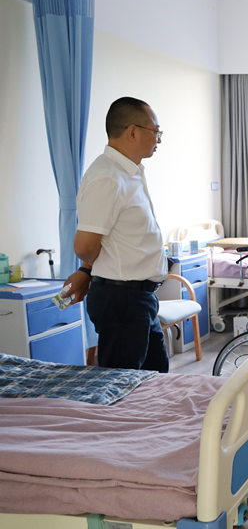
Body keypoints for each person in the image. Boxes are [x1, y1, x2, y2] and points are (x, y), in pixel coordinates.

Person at [61, 97, 168, 372]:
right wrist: (87, 268)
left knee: (156, 375)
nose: (158, 139)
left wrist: (86, 270)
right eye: (156, 131)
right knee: (123, 382)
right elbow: (84, 246)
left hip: (139, 297)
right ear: (132, 132)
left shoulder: (128, 173)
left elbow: (110, 237)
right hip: (123, 299)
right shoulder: (108, 177)